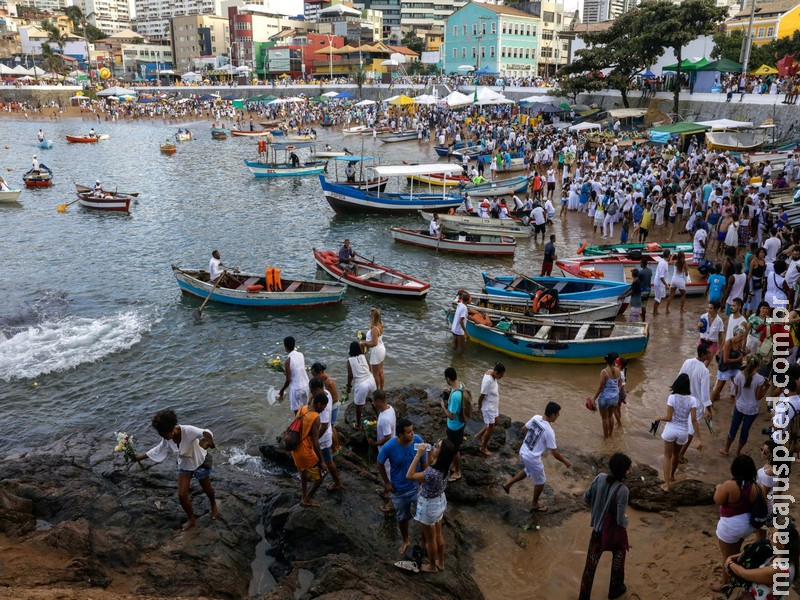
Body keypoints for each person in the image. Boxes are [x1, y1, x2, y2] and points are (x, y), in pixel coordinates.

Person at [134, 409, 219, 531]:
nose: (163, 437)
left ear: (172, 429)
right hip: (184, 465)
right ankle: (192, 519)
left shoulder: (188, 431)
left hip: (199, 462)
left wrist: (209, 442)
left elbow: (205, 432)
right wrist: (140, 457)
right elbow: (158, 449)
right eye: (161, 435)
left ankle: (213, 504)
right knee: (181, 494)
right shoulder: (167, 437)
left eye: (164, 434)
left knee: (207, 488)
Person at [578, 452, 632, 600]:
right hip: (613, 534)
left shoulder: (599, 478)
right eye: (629, 469)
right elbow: (620, 520)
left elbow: (586, 498)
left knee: (590, 566)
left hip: (596, 533)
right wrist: (627, 521)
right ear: (623, 471)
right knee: (619, 559)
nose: (630, 471)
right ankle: (615, 590)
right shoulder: (623, 491)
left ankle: (583, 596)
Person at [503, 401, 571, 512]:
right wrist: (565, 461)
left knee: (527, 470)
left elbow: (524, 429)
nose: (558, 416)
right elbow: (555, 453)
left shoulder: (536, 417)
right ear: (553, 415)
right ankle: (535, 503)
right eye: (557, 414)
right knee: (541, 481)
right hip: (532, 457)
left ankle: (508, 485)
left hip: (523, 450)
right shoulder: (549, 431)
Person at [711, 455, 761, 593]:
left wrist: (718, 488)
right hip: (747, 526)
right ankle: (736, 571)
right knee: (736, 550)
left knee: (726, 556)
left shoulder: (729, 485)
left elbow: (718, 500)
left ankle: (725, 585)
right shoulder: (756, 487)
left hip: (731, 526)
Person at [377, 418, 428, 555]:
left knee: (424, 515)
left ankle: (424, 540)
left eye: (412, 431)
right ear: (399, 434)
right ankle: (405, 540)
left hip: (417, 487)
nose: (412, 434)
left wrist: (424, 482)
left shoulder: (418, 440)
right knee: (402, 517)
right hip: (399, 489)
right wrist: (387, 483)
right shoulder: (389, 446)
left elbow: (424, 462)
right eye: (408, 432)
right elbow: (380, 463)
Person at [405, 438, 456, 572]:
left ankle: (432, 566)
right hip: (439, 502)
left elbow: (409, 475)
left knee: (430, 539)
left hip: (428, 506)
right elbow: (432, 464)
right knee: (439, 534)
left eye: (437, 446)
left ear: (442, 453)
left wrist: (418, 455)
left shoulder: (431, 473)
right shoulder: (445, 466)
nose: (434, 446)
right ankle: (441, 563)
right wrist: (429, 453)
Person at [724, 521, 799, 598]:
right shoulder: (785, 555)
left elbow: (744, 573)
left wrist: (730, 563)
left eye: (774, 536)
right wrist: (735, 556)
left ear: (783, 544)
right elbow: (753, 552)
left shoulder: (778, 570)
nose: (770, 538)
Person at [654, 373, 702, 492]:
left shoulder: (672, 397)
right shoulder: (692, 400)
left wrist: (659, 417)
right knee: (676, 455)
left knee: (667, 456)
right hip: (683, 432)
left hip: (671, 430)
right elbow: (694, 420)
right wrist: (699, 438)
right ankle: (672, 475)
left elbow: (669, 417)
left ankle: (666, 484)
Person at [720, 357, 768, 457]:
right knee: (745, 431)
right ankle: (738, 452)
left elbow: (737, 392)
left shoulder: (739, 375)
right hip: (751, 409)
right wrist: (766, 387)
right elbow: (758, 397)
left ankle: (726, 449)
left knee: (733, 429)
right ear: (757, 367)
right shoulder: (760, 379)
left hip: (740, 406)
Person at [291, 396, 327, 507]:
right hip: (305, 452)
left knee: (303, 473)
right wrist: (321, 461)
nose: (323, 410)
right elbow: (316, 442)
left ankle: (304, 494)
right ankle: (307, 499)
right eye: (324, 407)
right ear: (319, 404)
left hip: (294, 448)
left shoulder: (302, 409)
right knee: (322, 475)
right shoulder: (315, 417)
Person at [309, 381, 341, 491]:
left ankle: (335, 482)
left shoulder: (321, 405)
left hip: (323, 437)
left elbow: (324, 424)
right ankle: (333, 480)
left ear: (317, 388)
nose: (311, 392)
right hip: (326, 435)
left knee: (326, 460)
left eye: (312, 390)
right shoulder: (326, 393)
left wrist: (315, 439)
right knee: (327, 459)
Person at [711, 325, 749, 404]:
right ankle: (709, 404)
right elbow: (725, 360)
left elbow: (741, 353)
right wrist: (738, 359)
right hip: (725, 368)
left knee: (739, 385)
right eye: (741, 336)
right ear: (735, 335)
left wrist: (746, 353)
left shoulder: (740, 342)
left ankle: (737, 402)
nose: (742, 338)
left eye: (743, 336)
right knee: (718, 388)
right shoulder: (728, 343)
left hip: (735, 367)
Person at [588, 353, 622, 438]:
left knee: (605, 419)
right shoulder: (618, 370)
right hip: (615, 398)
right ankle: (610, 434)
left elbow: (600, 388)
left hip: (605, 398)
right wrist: (615, 392)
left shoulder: (604, 372)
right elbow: (620, 384)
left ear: (606, 361)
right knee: (610, 416)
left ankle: (606, 438)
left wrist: (594, 399)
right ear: (614, 361)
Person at [440, 367, 465, 483]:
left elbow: (450, 415)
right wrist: (449, 391)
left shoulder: (455, 397)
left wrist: (443, 406)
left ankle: (457, 472)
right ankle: (455, 466)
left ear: (448, 378)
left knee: (455, 450)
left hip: (454, 426)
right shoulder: (461, 385)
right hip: (461, 423)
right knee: (456, 447)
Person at [310, 363, 340, 455]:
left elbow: (335, 398)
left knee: (331, 427)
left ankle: (336, 447)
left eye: (315, 374)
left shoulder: (329, 382)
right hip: (327, 404)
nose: (314, 376)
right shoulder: (321, 381)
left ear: (321, 372)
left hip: (333, 406)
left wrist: (326, 406)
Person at [476, 363, 505, 456]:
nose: (501, 377)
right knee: (491, 427)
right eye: (501, 375)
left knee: (496, 422)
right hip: (488, 407)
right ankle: (483, 447)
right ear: (496, 372)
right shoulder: (488, 381)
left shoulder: (490, 371)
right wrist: (479, 406)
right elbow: (481, 395)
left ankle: (479, 436)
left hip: (494, 405)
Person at [346, 340, 377, 429]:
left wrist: (349, 387)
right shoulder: (363, 356)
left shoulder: (350, 360)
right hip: (371, 380)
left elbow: (350, 375)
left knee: (358, 405)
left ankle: (358, 424)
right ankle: (378, 416)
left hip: (361, 384)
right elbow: (369, 368)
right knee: (374, 400)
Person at [278, 336, 309, 411]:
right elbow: (298, 370)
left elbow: (288, 380)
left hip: (296, 390)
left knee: (297, 413)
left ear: (285, 347)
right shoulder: (301, 355)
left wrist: (282, 391)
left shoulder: (288, 361)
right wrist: (287, 372)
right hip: (305, 386)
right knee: (305, 410)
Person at [361, 307, 386, 390]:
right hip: (381, 349)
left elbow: (374, 343)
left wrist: (364, 343)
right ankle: (381, 389)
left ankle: (376, 391)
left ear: (373, 317)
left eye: (370, 315)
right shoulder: (380, 325)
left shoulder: (375, 329)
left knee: (375, 373)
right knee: (380, 371)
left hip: (376, 351)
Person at [652, 249, 671, 315]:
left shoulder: (664, 262)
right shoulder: (663, 263)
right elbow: (661, 276)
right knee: (658, 299)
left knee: (661, 297)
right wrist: (666, 285)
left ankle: (655, 310)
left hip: (661, 283)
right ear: (668, 256)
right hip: (659, 283)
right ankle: (654, 312)